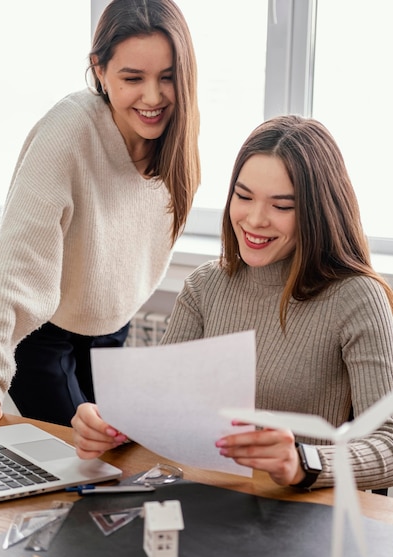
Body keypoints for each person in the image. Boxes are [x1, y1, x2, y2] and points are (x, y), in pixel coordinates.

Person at [71, 114, 393, 491]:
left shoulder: (356, 297)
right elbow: (160, 408)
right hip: (205, 497)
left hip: (302, 514)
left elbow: (388, 441)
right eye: (244, 197)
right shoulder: (205, 286)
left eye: (282, 206)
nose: (255, 220)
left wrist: (302, 462)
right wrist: (114, 427)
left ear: (317, 212)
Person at [0, 0, 200, 428]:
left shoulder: (177, 139)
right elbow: (8, 269)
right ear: (99, 70)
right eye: (132, 78)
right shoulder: (69, 133)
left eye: (168, 78)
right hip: (45, 333)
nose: (153, 97)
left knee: (120, 452)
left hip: (111, 328)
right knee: (84, 459)